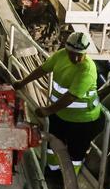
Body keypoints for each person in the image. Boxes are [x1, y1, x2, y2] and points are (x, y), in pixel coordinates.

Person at [14, 30, 101, 174]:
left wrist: (48, 110)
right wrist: (23, 82)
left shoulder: (87, 69)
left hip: (82, 120)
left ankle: (68, 181)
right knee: (51, 145)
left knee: (75, 154)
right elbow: (42, 69)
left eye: (80, 55)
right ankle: (52, 170)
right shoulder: (61, 56)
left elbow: (71, 97)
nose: (76, 58)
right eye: (72, 53)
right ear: (67, 49)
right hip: (60, 113)